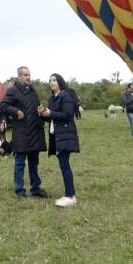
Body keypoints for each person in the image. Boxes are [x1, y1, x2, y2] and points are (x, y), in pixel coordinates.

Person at [0, 66, 48, 198]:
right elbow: (2, 105)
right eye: (25, 75)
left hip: (34, 132)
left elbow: (35, 106)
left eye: (29, 74)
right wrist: (16, 112)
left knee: (34, 163)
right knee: (20, 163)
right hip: (21, 132)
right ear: (19, 77)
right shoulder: (13, 90)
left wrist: (40, 109)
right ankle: (20, 191)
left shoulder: (33, 91)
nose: (28, 77)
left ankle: (35, 188)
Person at [39, 73, 80, 207]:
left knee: (65, 165)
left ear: (60, 82)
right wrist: (44, 113)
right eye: (50, 80)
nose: (52, 82)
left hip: (65, 135)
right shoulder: (53, 98)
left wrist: (50, 113)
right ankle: (69, 194)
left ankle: (70, 196)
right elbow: (53, 118)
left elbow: (68, 115)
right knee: (63, 165)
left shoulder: (65, 96)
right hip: (57, 136)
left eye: (54, 80)